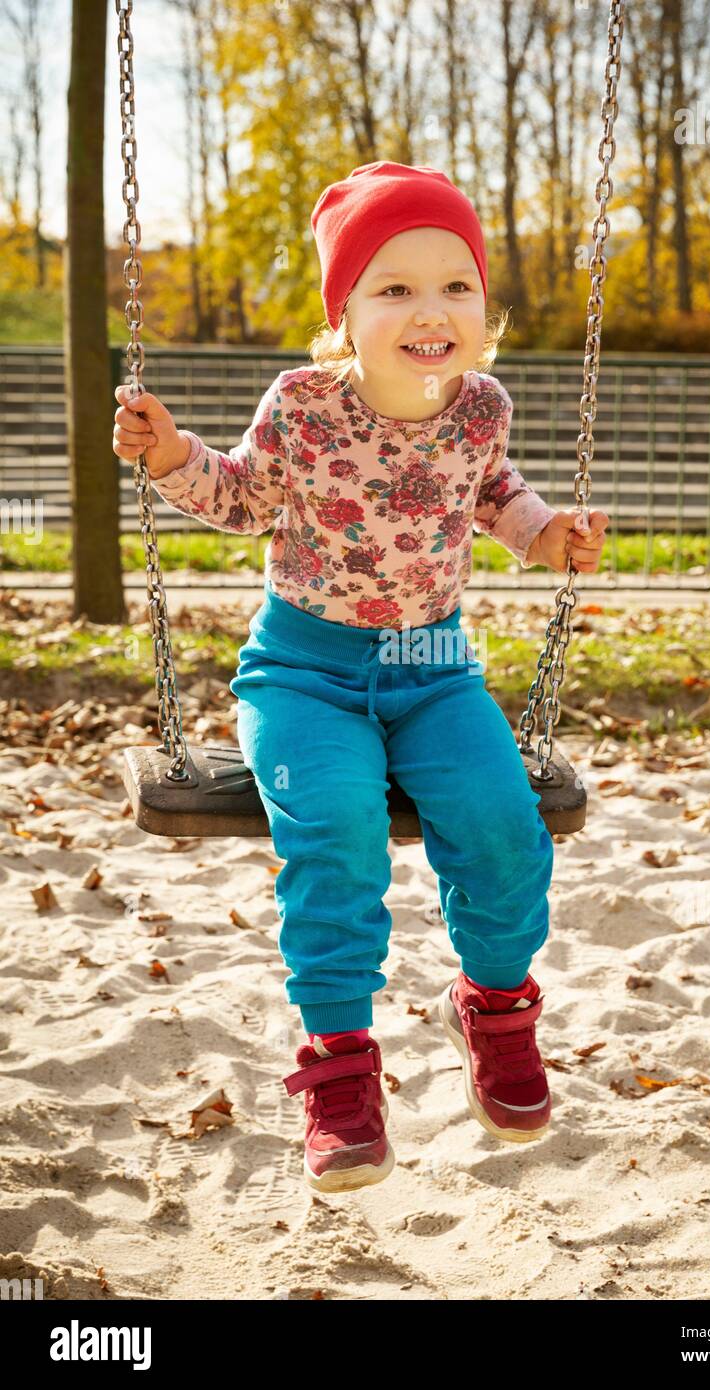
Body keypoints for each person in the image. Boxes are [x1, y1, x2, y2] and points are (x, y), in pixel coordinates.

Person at [112, 161, 609, 1194]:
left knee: (502, 823)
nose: (429, 310)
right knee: (333, 829)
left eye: (454, 284)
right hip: (304, 670)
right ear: (342, 312)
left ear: (482, 309)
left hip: (434, 669)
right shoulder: (301, 404)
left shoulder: (481, 407)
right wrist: (170, 458)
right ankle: (339, 1067)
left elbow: (495, 493)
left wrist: (547, 533)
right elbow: (244, 498)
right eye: (393, 287)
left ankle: (495, 1005)